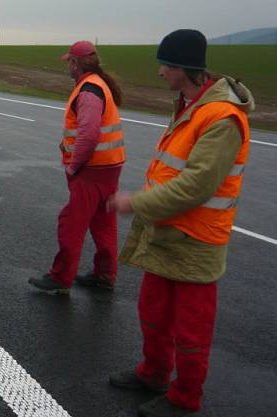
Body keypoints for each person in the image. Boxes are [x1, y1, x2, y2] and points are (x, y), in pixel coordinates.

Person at [107, 29, 254, 417]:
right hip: (168, 231)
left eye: (165, 65)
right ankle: (153, 373)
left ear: (183, 68)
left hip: (198, 239)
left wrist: (134, 202)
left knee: (191, 330)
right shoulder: (190, 105)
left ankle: (185, 398)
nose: (159, 72)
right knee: (152, 310)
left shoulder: (222, 118)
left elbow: (196, 185)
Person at [28, 40, 125, 294]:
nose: (68, 67)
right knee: (104, 222)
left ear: (75, 64)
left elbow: (89, 135)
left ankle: (61, 278)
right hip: (109, 166)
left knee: (71, 221)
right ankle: (104, 274)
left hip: (91, 169)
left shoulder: (88, 91)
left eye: (69, 62)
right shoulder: (99, 84)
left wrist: (73, 166)